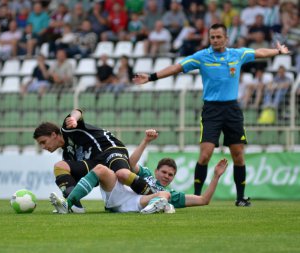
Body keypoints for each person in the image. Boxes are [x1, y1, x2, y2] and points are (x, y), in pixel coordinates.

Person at [133, 23, 290, 207]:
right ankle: (198, 197)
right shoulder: (201, 57)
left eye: (218, 37)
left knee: (238, 154)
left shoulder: (236, 54)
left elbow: (259, 52)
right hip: (211, 110)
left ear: (226, 38)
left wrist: (277, 51)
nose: (215, 40)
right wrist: (151, 77)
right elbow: (177, 67)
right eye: (212, 37)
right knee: (205, 154)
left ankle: (240, 198)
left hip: (232, 110)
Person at [50, 129, 228, 214]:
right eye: (164, 172)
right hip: (118, 193)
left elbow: (204, 200)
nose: (167, 176)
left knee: (165, 193)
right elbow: (128, 164)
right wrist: (146, 141)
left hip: (137, 203)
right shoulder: (145, 174)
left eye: (171, 175)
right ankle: (68, 203)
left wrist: (216, 176)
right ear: (156, 171)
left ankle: (156, 204)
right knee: (101, 169)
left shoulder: (172, 192)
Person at [33, 109, 155, 212]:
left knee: (123, 174)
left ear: (54, 134)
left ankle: (154, 197)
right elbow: (86, 181)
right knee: (60, 166)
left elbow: (77, 111)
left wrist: (74, 119)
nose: (43, 147)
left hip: (110, 150)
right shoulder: (67, 155)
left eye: (43, 142)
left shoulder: (68, 129)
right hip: (97, 164)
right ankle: (74, 206)